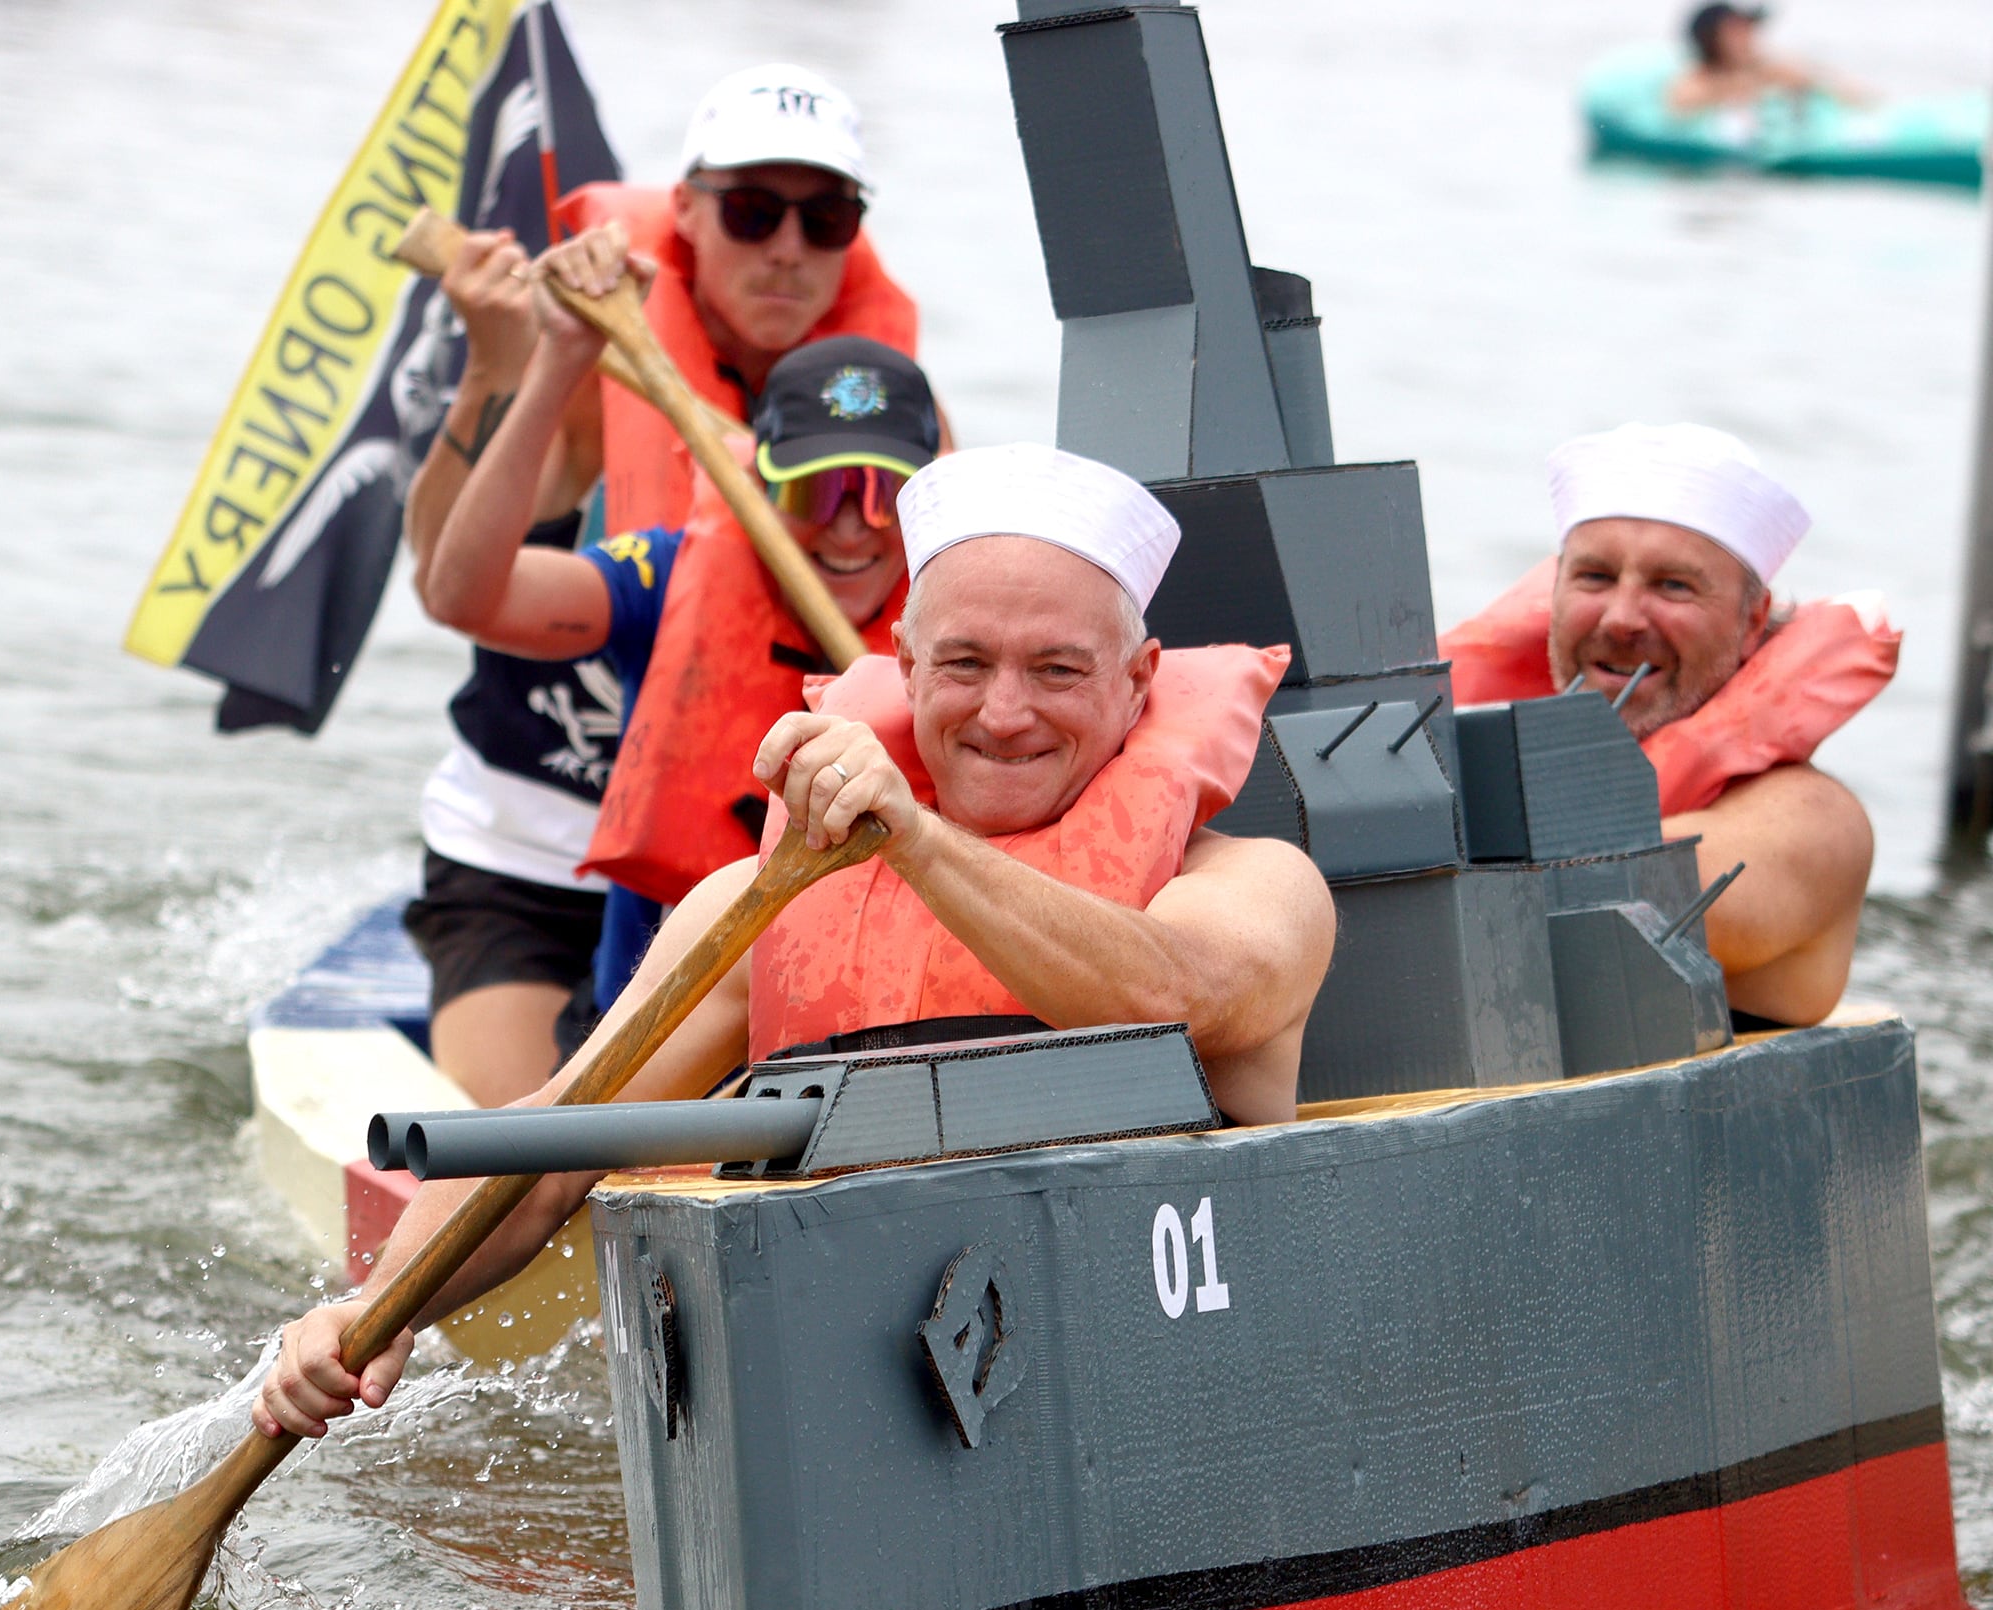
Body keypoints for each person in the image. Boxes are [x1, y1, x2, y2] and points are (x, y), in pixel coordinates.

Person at [257, 445, 1336, 1440]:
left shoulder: (1253, 890)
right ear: (904, 665)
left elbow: (1173, 995)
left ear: (1141, 680)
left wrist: (913, 841)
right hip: (851, 1425)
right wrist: (375, 1307)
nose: (1005, 714)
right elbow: (552, 1147)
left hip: (1161, 1416)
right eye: (965, 663)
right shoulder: (761, 906)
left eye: (1057, 671)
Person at [396, 61, 917, 1099]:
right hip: (536, 840)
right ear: (688, 210)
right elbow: (448, 576)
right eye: (755, 210)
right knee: (520, 1128)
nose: (787, 248)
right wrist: (518, 365)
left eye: (825, 220)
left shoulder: (879, 399)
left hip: (744, 887)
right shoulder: (609, 381)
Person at [422, 248, 941, 1005]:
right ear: (755, 484)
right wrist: (560, 362)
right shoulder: (667, 575)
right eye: (816, 493)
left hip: (857, 1020)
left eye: (882, 495)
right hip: (654, 1030)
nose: (852, 530)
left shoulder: (968, 628)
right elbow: (469, 596)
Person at [1441, 422, 1898, 1027]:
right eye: (1595, 577)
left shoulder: (1814, 821)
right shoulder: (1453, 768)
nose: (1623, 618)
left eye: (1673, 586)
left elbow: (1626, 893)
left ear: (1752, 619)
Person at [1667, 4, 1867, 114]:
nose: (1748, 37)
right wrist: (1743, 84)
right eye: (1736, 32)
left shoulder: (1764, 65)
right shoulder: (1699, 77)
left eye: (1748, 29)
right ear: (1711, 40)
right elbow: (1680, 102)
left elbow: (1816, 77)